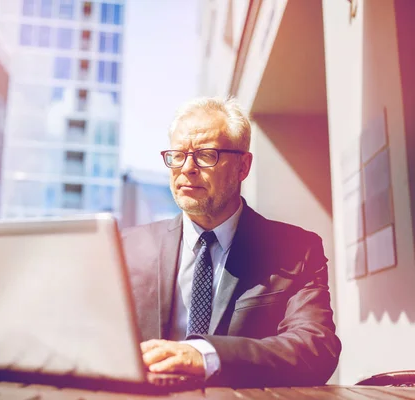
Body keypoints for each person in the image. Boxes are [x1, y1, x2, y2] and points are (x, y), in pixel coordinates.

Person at [121, 96, 341, 388]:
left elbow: (316, 348)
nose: (187, 168)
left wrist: (205, 355)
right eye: (178, 155)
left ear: (243, 167)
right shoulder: (128, 247)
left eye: (206, 155)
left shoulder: (296, 250)